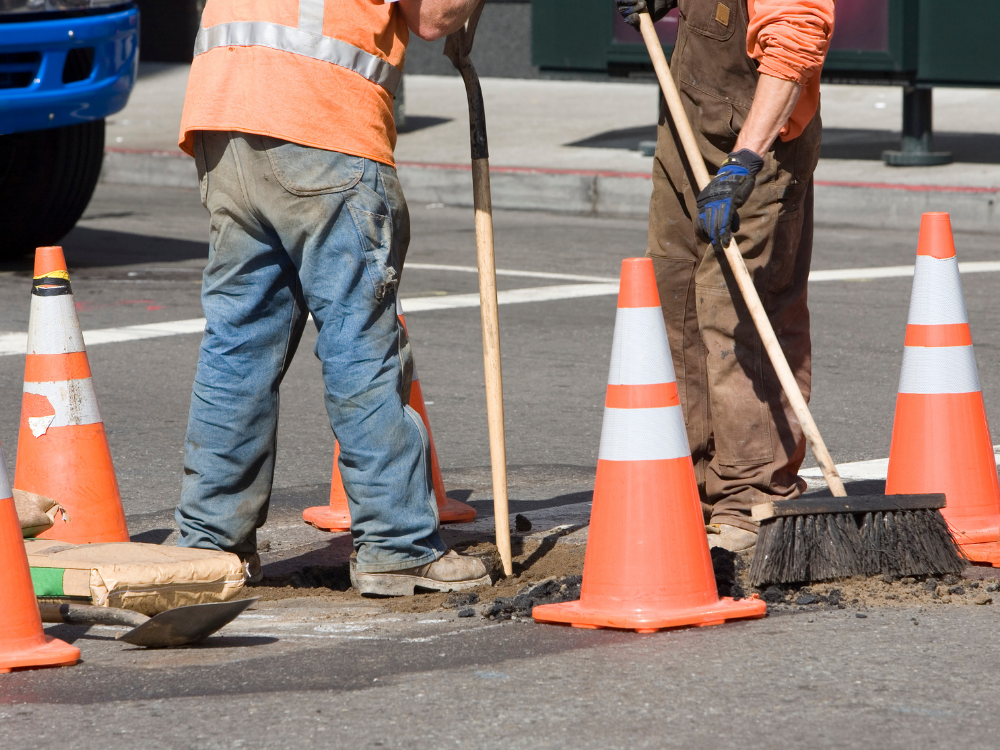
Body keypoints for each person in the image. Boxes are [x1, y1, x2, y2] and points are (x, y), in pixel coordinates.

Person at [173, 0, 490, 595]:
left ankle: (210, 544)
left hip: (224, 109)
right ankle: (396, 544)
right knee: (359, 343)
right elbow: (433, 16)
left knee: (238, 343)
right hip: (319, 114)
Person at [616, 0, 835, 551]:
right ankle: (685, 478)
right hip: (687, 124)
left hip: (761, 145)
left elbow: (795, 40)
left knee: (736, 310)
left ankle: (752, 493)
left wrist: (744, 162)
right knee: (675, 300)